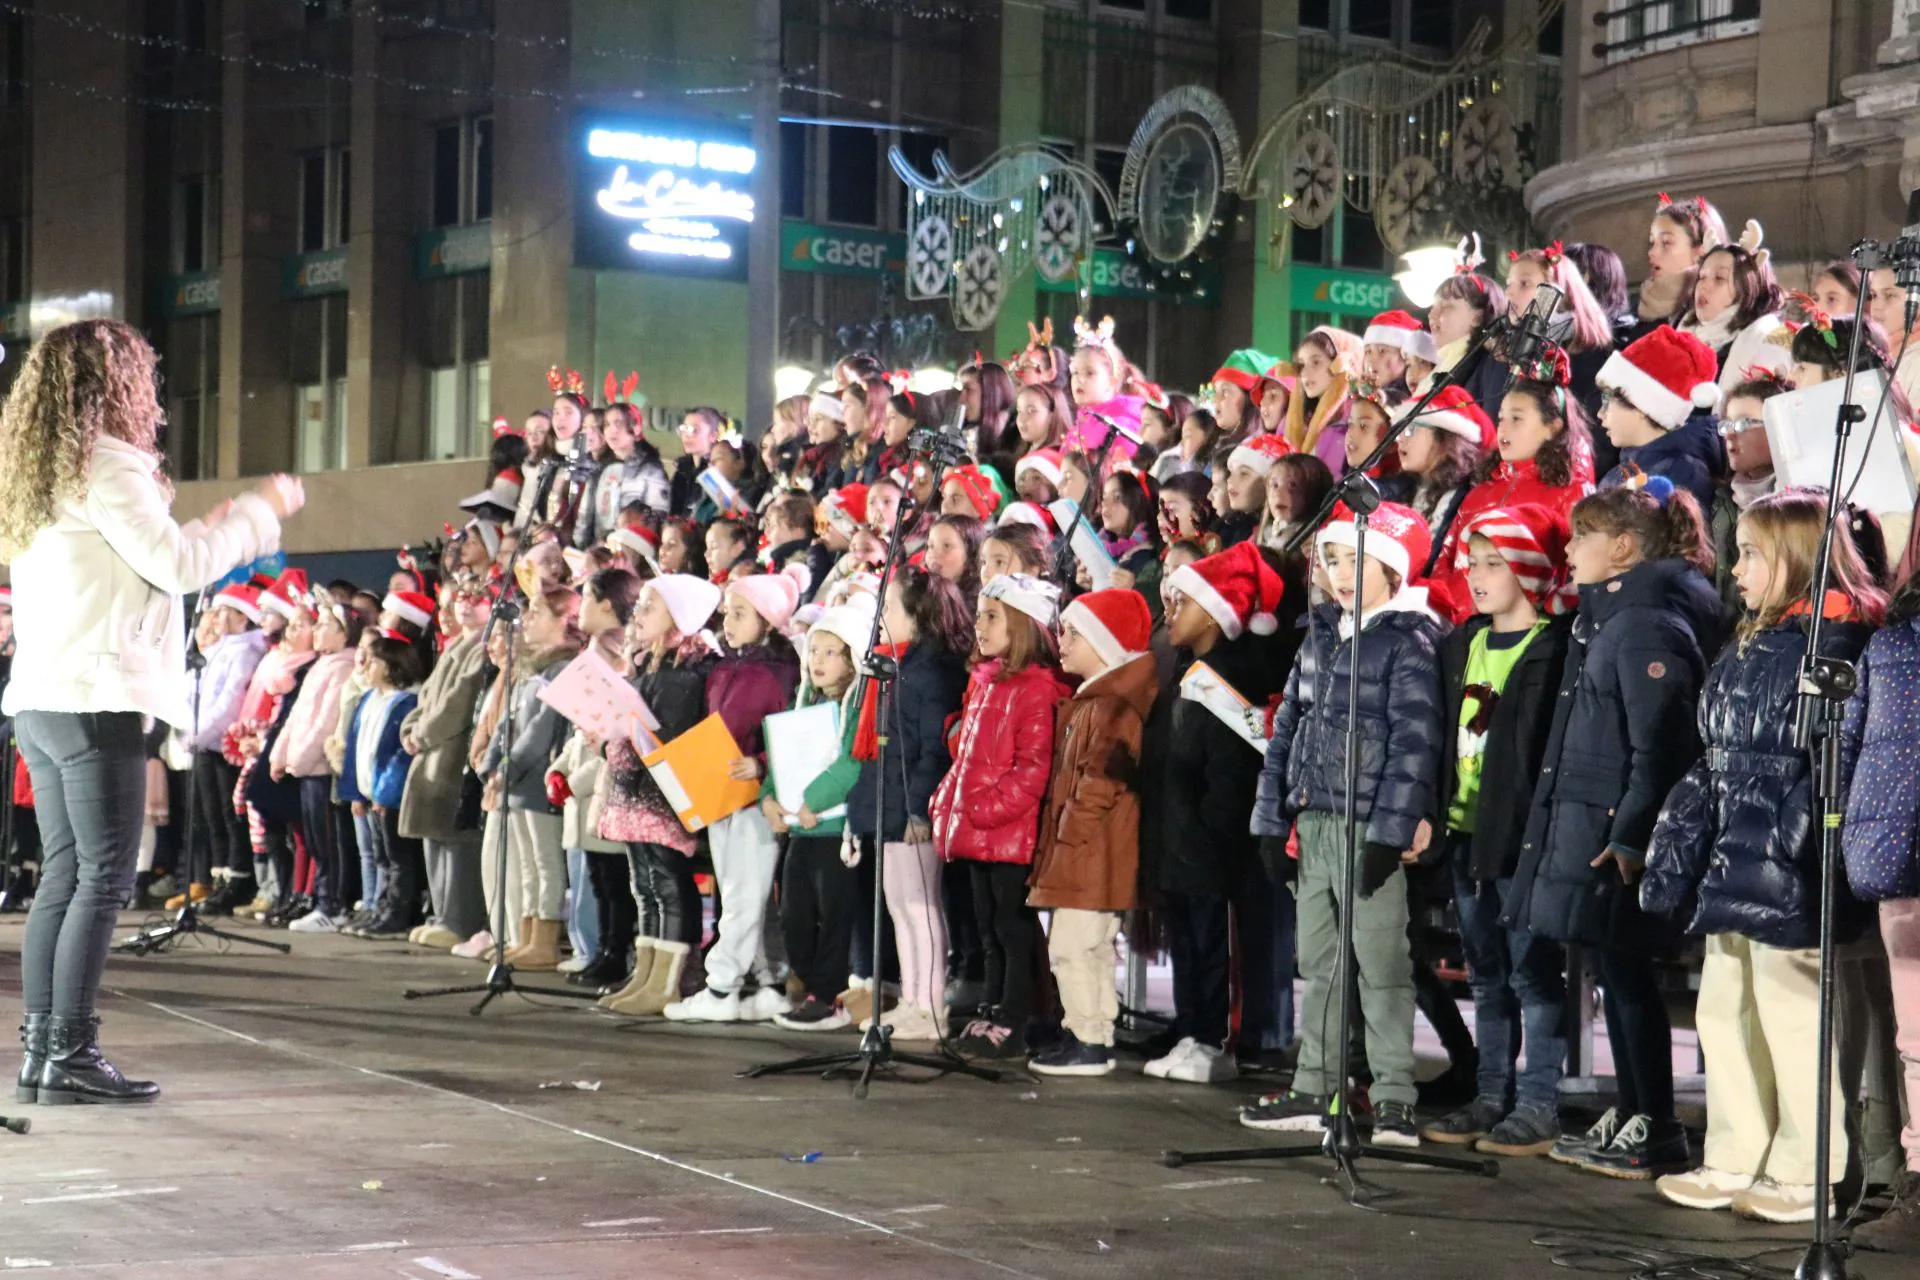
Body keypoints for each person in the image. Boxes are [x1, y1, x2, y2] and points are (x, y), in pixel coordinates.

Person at [0, 319, 301, 1105]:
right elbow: (173, 563)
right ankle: (67, 1052)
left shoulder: (47, 470)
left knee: (66, 875)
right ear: (118, 382)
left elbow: (144, 558)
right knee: (100, 878)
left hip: (44, 697)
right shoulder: (107, 461)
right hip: (96, 698)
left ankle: (44, 1054)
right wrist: (261, 513)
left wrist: (214, 520)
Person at [1644, 488, 1882, 1222]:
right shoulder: (1749, 645)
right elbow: (1715, 756)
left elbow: (1835, 768)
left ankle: (1806, 1170)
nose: (1736, 567)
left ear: (1801, 557)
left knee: (1793, 1017)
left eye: (1752, 552)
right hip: (1735, 859)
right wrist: (1678, 843)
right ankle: (1734, 1153)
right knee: (1725, 1010)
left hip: (1793, 865)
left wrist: (1807, 850)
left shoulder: (1839, 648)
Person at [1507, 481, 1723, 1179]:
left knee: (1630, 977)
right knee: (1614, 969)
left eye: (1582, 537)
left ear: (1623, 547)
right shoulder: (1611, 618)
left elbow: (1658, 744)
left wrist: (1632, 834)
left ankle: (1655, 1123)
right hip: (1593, 825)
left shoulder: (1646, 624)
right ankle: (1633, 1109)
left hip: (1613, 835)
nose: (1568, 551)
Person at [1242, 503, 1446, 1147]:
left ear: (1392, 567)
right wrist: (1271, 819)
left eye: (1358, 560)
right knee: (1321, 962)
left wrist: (1390, 832)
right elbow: (1288, 732)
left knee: (1381, 966)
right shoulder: (1321, 637)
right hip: (1317, 823)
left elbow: (1415, 746)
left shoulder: (1408, 642)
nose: (1341, 573)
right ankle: (1315, 1084)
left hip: (1365, 829)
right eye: (1333, 559)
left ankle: (1392, 1096)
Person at [1418, 505, 1574, 1155]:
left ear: (1529, 569)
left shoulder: (1554, 650)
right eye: (1471, 562)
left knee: (1533, 972)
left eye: (1492, 563)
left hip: (1522, 841)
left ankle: (1538, 1102)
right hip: (1466, 834)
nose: (1475, 576)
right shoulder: (1462, 643)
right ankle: (1490, 1094)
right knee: (1485, 971)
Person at [1143, 541, 1299, 1084]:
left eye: (1181, 602)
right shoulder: (1192, 668)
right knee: (1189, 940)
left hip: (1216, 842)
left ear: (1214, 611)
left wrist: (1211, 830)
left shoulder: (1234, 676)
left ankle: (1217, 1040)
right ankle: (1193, 1030)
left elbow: (1233, 769)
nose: (1170, 614)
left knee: (1217, 943)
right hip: (1184, 835)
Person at [932, 572, 1070, 1059]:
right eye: (979, 617)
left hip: (1008, 833)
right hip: (978, 830)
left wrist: (984, 809)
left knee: (1012, 929)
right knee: (987, 925)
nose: (980, 627)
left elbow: (1033, 769)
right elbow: (967, 758)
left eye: (992, 617)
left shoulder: (1036, 689)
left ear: (1024, 626)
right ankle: (991, 1007)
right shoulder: (986, 681)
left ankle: (1016, 1015)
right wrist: (948, 800)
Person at [1028, 588, 1157, 1077]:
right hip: (1091, 848)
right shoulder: (1101, 701)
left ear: (1105, 644)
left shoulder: (1111, 708)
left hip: (1091, 848)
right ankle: (1090, 1032)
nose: (1063, 642)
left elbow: (1099, 781)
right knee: (1088, 946)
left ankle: (1088, 1038)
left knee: (1073, 945)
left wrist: (1068, 832)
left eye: (1075, 634)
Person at [664, 573, 803, 1022]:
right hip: (720, 793)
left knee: (745, 892)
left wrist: (762, 763)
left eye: (740, 612)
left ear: (767, 620)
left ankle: (722, 987)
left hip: (756, 798)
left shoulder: (779, 673)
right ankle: (769, 980)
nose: (728, 620)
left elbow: (792, 730)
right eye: (727, 610)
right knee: (746, 894)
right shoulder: (724, 668)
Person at [843, 567, 972, 1041]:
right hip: (891, 805)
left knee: (921, 907)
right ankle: (915, 1000)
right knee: (900, 906)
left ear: (917, 616)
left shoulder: (930, 673)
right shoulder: (900, 668)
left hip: (912, 811)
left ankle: (932, 1005)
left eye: (890, 608)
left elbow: (933, 749)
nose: (882, 617)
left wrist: (919, 809)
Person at [1838, 549, 1920, 1254]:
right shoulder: (1890, 646)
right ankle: (1917, 1189)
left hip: (1897, 857)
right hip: (1902, 865)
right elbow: (1856, 745)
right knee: (1916, 1041)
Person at [596, 575, 721, 1016]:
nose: (638, 614)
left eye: (650, 606)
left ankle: (671, 978)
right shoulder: (650, 662)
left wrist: (632, 719)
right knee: (644, 883)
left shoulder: (689, 668)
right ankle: (646, 973)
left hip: (664, 794)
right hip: (636, 789)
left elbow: (674, 735)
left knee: (668, 881)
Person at [762, 595, 876, 1031]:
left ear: (852, 659)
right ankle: (809, 985)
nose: (818, 660)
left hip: (833, 830)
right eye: (814, 650)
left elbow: (850, 762)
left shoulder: (856, 708)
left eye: (832, 652)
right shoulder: (803, 705)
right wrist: (769, 800)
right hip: (800, 831)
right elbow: (781, 759)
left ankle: (827, 995)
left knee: (834, 916)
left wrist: (813, 800)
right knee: (793, 914)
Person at [1428, 349, 1594, 622]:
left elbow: (1575, 578)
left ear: (1552, 427)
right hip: (1460, 631)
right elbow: (1446, 564)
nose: (1503, 428)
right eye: (1501, 418)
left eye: (1517, 419)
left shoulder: (1572, 494)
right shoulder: (1480, 491)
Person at [477, 587, 583, 965]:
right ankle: (525, 936)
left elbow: (543, 726)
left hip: (538, 779)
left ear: (563, 621)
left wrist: (509, 767)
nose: (527, 621)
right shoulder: (530, 667)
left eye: (537, 613)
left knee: (544, 862)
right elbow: (506, 722)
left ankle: (545, 939)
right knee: (524, 864)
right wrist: (492, 764)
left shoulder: (565, 667)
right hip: (516, 781)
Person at [273, 589, 363, 934]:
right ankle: (321, 900)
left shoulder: (342, 667)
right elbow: (296, 717)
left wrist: (299, 758)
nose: (318, 629)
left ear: (344, 634)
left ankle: (332, 904)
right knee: (313, 839)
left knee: (328, 841)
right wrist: (281, 754)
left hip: (321, 769)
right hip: (305, 767)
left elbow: (327, 721)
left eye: (326, 624)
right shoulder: (321, 666)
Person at [339, 628, 429, 939]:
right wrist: (356, 793)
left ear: (391, 666)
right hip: (368, 792)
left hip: (389, 796)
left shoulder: (405, 702)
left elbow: (397, 755)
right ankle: (378, 907)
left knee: (397, 856)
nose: (366, 664)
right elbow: (356, 745)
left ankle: (398, 912)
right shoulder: (368, 699)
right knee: (379, 854)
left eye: (374, 660)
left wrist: (384, 794)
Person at [1595, 324, 1727, 513]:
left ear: (1641, 406)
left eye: (1608, 401)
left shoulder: (1681, 475)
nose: (1600, 413)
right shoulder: (1628, 467)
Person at [1708, 373, 1788, 621]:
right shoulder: (1720, 501)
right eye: (1726, 425)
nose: (1730, 435)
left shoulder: (1794, 508)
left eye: (1744, 424)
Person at [1394, 387, 1494, 578]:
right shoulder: (1403, 489)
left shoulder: (1465, 499)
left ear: (1445, 437)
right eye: (1400, 431)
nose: (1400, 440)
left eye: (1411, 429)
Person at [1675, 234, 1789, 393]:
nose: (1704, 286)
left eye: (1719, 278)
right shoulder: (1681, 332)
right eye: (1701, 277)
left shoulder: (1767, 344)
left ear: (1748, 288)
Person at [1639, 192, 1729, 337]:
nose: (1652, 252)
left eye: (1666, 242)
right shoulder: (1645, 311)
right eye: (1652, 242)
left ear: (1701, 251)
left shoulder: (1714, 313)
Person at [1284, 325, 1362, 472]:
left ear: (1340, 364)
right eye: (1301, 365)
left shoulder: (1355, 421)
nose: (1305, 372)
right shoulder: (1287, 422)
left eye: (1316, 362)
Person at [1209, 349, 1276, 442]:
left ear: (1251, 399)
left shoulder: (1259, 450)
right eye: (1215, 391)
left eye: (1225, 392)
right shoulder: (1213, 444)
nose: (1215, 399)